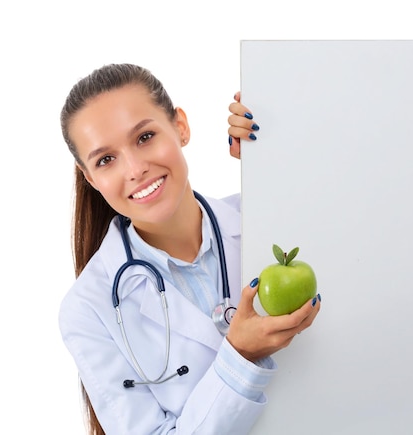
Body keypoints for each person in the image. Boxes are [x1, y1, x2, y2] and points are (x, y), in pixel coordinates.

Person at [58, 63, 321, 435]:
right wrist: (239, 358)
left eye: (145, 137)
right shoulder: (88, 309)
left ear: (180, 126)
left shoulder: (266, 219)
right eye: (106, 159)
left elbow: (358, 220)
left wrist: (274, 161)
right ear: (90, 178)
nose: (135, 169)